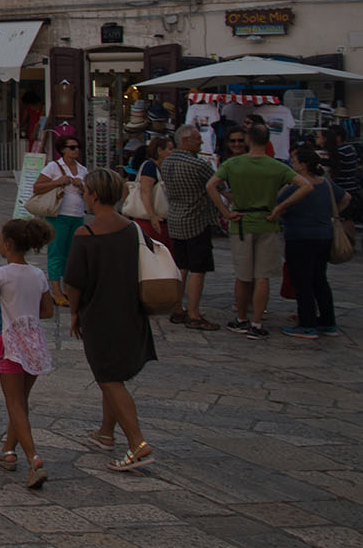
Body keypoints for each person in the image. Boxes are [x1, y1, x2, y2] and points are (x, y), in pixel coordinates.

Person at [64, 170, 156, 471]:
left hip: (101, 313)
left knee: (109, 378)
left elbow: (74, 281)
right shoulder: (131, 228)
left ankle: (137, 443)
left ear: (92, 195)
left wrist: (75, 312)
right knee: (113, 374)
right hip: (131, 310)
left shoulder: (87, 234)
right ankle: (106, 432)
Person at [0, 217, 55, 489]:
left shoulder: (2, 274)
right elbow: (47, 311)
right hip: (35, 343)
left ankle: (34, 457)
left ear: (7, 244)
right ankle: (9, 450)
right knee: (22, 401)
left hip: (11, 344)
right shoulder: (39, 275)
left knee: (14, 404)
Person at [208, 124, 307, 340]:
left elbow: (211, 185)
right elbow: (306, 186)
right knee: (262, 276)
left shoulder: (234, 164)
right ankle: (257, 322)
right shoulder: (276, 166)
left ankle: (242, 318)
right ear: (267, 140)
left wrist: (225, 211)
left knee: (243, 275)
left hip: (241, 222)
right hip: (267, 222)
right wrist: (280, 207)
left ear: (248, 140)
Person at [158, 125, 222, 330]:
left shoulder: (167, 162)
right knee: (198, 268)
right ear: (185, 140)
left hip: (176, 218)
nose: (200, 142)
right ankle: (194, 313)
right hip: (196, 219)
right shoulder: (197, 164)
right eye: (196, 139)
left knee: (181, 267)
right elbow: (216, 184)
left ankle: (177, 308)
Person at [279, 148, 346, 339]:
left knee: (303, 282)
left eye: (294, 160)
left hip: (300, 237)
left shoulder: (296, 187)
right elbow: (346, 198)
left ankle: (307, 324)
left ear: (303, 164)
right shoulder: (326, 184)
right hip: (323, 236)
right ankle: (328, 321)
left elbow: (278, 205)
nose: (292, 163)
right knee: (320, 280)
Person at [33, 135, 88, 306]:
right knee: (56, 251)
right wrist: (58, 182)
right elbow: (37, 187)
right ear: (63, 149)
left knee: (72, 253)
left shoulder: (83, 170)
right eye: (72, 147)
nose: (76, 150)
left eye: (77, 147)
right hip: (58, 214)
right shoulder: (53, 167)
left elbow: (89, 194)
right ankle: (56, 291)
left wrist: (82, 186)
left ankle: (67, 288)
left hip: (77, 215)